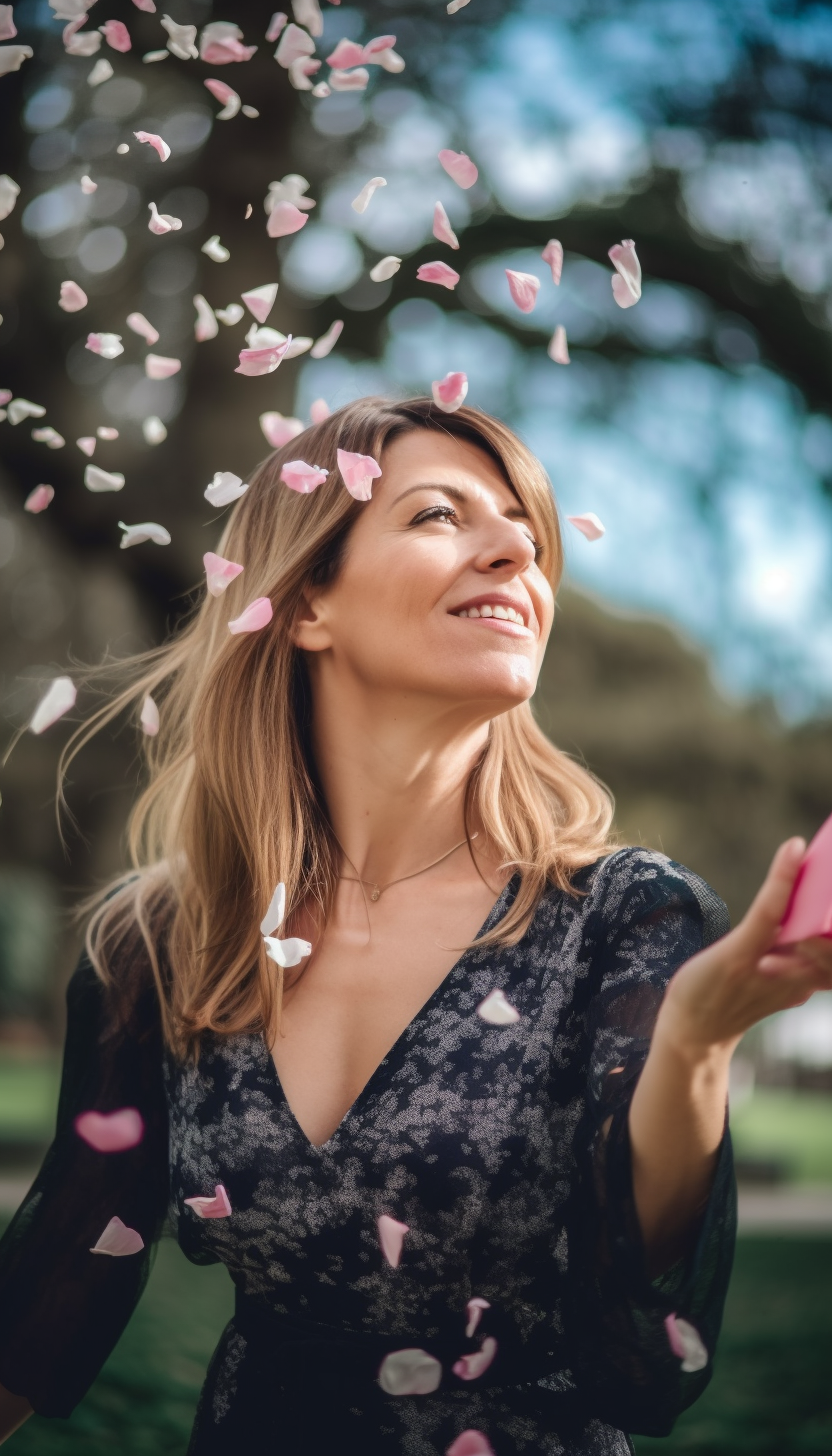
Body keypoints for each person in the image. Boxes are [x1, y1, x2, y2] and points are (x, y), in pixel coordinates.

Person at [0, 398, 829, 1456]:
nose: (514, 552)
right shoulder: (158, 941)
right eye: (442, 514)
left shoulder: (626, 915)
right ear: (305, 602)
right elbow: (50, 1289)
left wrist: (699, 1037)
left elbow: (638, 1275)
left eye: (526, 537)